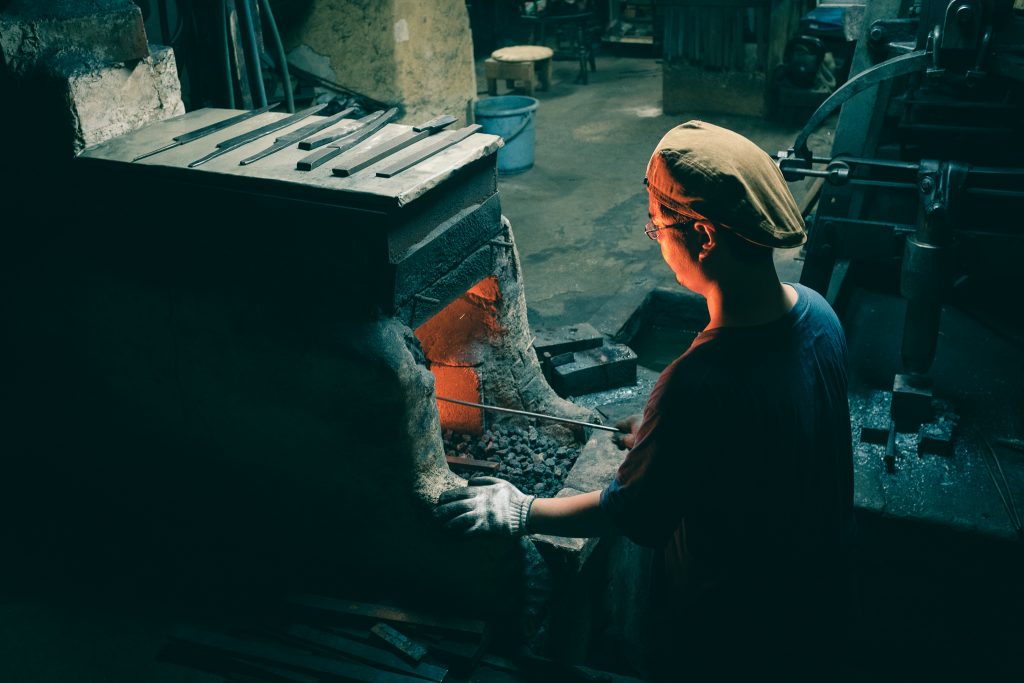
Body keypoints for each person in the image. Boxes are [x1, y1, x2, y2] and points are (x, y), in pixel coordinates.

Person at [435, 121, 854, 676]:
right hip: (811, 598)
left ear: (704, 236)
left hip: (729, 628)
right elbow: (761, 442)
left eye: (657, 227)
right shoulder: (819, 313)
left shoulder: (700, 381)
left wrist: (523, 510)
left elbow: (634, 513)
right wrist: (670, 439)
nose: (655, 241)